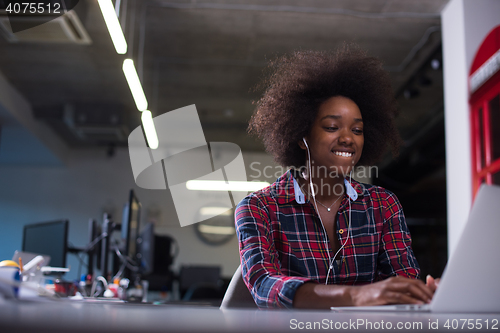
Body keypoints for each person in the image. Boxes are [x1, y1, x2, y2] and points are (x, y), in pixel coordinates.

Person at [235, 45, 438, 309]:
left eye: (357, 129)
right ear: (300, 136)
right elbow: (265, 286)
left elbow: (401, 280)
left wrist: (422, 292)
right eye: (332, 127)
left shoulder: (383, 205)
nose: (347, 138)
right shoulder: (258, 208)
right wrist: (355, 296)